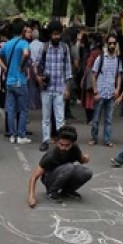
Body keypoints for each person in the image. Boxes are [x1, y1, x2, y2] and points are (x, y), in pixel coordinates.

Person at [26, 125, 91, 206]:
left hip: (65, 174)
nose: (63, 148)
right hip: (49, 178)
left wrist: (85, 158)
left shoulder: (75, 148)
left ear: (72, 143)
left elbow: (81, 160)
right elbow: (34, 177)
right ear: (57, 141)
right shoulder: (51, 155)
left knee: (87, 172)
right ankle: (51, 192)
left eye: (67, 145)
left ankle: (67, 191)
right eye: (61, 144)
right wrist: (31, 197)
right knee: (69, 167)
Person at [36, 21, 73, 151]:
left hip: (60, 88)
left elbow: (68, 69)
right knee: (46, 117)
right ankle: (45, 140)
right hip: (46, 89)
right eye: (54, 34)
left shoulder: (65, 48)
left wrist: (67, 88)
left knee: (60, 118)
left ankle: (61, 141)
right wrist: (39, 78)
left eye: (58, 34)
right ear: (50, 34)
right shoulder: (44, 47)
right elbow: (37, 65)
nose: (57, 36)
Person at [0, 20, 31, 144]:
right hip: (20, 81)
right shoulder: (23, 43)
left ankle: (12, 134)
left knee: (10, 109)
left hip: (9, 81)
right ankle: (21, 135)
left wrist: (5, 67)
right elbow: (26, 54)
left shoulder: (7, 44)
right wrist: (22, 65)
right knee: (22, 110)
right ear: (22, 30)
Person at [88, 34, 122, 146]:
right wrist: (95, 91)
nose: (112, 45)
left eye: (114, 43)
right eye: (110, 43)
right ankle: (94, 138)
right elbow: (93, 75)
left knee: (109, 119)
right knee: (96, 119)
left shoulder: (117, 60)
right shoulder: (101, 58)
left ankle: (107, 140)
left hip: (111, 93)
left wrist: (117, 89)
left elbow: (118, 75)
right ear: (107, 44)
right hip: (101, 92)